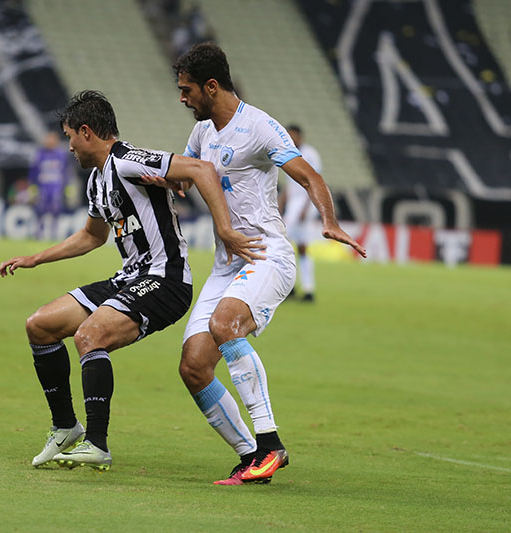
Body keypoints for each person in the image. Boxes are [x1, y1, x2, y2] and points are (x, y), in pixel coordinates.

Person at [0, 90, 262, 471]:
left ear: (86, 132)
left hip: (166, 279)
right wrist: (35, 259)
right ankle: (65, 427)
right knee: (40, 326)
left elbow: (202, 170)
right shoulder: (96, 180)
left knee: (90, 336)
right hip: (129, 278)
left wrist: (225, 228)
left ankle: (97, 443)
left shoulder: (128, 160)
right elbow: (92, 236)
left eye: (70, 136)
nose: (69, 147)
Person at [144, 43, 366, 485]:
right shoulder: (202, 132)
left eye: (187, 90)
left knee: (225, 324)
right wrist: (163, 180)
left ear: (211, 86)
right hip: (226, 265)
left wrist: (328, 221)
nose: (182, 98)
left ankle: (270, 445)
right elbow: (188, 176)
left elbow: (309, 176)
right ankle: (251, 456)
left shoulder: (259, 127)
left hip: (265, 254)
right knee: (193, 366)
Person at [280, 125, 322, 302]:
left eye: (293, 135)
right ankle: (304, 289)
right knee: (296, 246)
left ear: (300, 136)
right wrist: (282, 202)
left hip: (304, 204)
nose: (291, 138)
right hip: (293, 205)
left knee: (287, 244)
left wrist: (307, 207)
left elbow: (315, 181)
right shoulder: (287, 152)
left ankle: (298, 288)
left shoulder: (310, 154)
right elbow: (290, 184)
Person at [28, 131, 74, 238]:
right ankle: (38, 233)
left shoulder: (61, 155)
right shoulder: (39, 154)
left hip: (56, 189)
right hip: (42, 189)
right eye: (48, 139)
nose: (50, 141)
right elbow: (33, 174)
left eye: (53, 139)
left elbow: (66, 173)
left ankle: (54, 233)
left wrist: (68, 190)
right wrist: (32, 190)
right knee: (39, 212)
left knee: (56, 212)